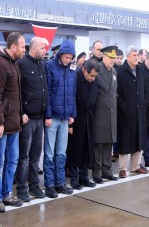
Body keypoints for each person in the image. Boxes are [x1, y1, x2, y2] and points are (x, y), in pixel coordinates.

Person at [0, 32, 25, 212]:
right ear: (13, 47)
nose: (24, 50)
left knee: (13, 160)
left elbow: (15, 94)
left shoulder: (14, 63)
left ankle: (6, 194)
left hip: (14, 123)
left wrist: (21, 114)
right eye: (22, 46)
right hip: (3, 125)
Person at [15, 37, 47, 202]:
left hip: (40, 118)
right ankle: (21, 189)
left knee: (35, 156)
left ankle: (34, 186)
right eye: (42, 48)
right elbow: (17, 91)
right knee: (24, 157)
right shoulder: (22, 64)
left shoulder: (42, 65)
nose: (44, 51)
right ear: (34, 49)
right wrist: (21, 112)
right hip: (27, 120)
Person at [44, 39, 76, 198]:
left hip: (65, 117)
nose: (69, 60)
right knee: (49, 153)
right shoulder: (50, 66)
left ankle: (60, 183)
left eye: (71, 58)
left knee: (61, 153)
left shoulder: (72, 70)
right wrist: (48, 115)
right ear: (61, 54)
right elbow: (47, 94)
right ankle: (49, 184)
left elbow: (73, 94)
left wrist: (72, 114)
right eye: (67, 57)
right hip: (53, 117)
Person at [67, 59, 100, 190]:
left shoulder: (94, 81)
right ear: (85, 70)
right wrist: (71, 123)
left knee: (87, 148)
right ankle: (74, 178)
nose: (93, 78)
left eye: (95, 76)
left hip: (89, 118)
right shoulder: (75, 78)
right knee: (75, 149)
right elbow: (72, 99)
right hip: (77, 118)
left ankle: (84, 176)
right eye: (91, 75)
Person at [117, 45, 147, 178]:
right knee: (125, 139)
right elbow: (117, 93)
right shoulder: (121, 71)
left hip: (140, 110)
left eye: (137, 55)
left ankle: (136, 165)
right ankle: (122, 168)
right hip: (126, 112)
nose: (136, 57)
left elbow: (144, 89)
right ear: (127, 56)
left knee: (138, 138)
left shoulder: (141, 70)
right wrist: (124, 107)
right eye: (133, 55)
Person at [92, 45, 118, 183]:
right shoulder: (98, 69)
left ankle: (107, 170)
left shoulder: (114, 72)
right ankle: (97, 172)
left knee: (109, 142)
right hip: (100, 111)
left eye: (114, 58)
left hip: (111, 111)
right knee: (99, 144)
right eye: (110, 57)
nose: (112, 60)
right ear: (103, 57)